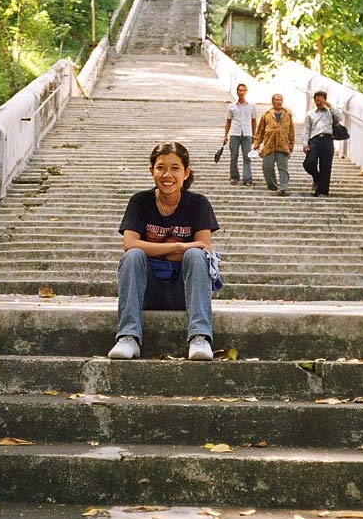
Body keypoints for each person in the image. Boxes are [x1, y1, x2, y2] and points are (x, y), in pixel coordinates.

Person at [108, 141, 219, 361]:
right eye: (161, 167)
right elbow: (130, 244)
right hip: (148, 289)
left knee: (196, 256)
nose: (167, 174)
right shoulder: (140, 201)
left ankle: (200, 337)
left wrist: (156, 249)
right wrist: (179, 247)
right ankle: (128, 337)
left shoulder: (198, 203)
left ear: (186, 173)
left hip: (185, 292)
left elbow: (203, 248)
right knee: (133, 256)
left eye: (175, 168)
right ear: (152, 171)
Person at [302, 89, 344, 197]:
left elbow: (340, 118)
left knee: (326, 166)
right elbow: (306, 129)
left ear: (325, 100)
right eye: (316, 100)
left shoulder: (331, 113)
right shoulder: (310, 114)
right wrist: (305, 143)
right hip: (314, 140)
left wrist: (330, 107)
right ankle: (317, 179)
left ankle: (322, 191)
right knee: (308, 163)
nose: (318, 103)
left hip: (327, 140)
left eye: (321, 100)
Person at [254, 93, 295, 195]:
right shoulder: (266, 114)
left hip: (283, 145)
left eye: (281, 100)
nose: (279, 102)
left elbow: (291, 131)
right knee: (267, 166)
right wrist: (256, 144)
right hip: (269, 145)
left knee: (283, 168)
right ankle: (272, 185)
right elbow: (260, 130)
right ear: (272, 101)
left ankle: (283, 188)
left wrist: (291, 145)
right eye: (277, 100)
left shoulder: (287, 115)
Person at [222, 83, 257, 186]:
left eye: (244, 90)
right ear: (237, 92)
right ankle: (234, 177)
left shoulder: (251, 106)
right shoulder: (231, 106)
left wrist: (254, 135)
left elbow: (254, 121)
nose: (241, 92)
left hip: (247, 134)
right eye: (240, 90)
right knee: (234, 156)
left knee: (247, 157)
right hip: (235, 133)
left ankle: (247, 179)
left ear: (246, 92)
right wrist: (225, 135)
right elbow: (228, 121)